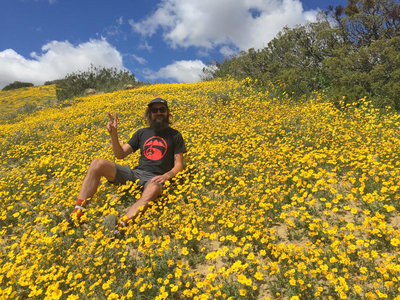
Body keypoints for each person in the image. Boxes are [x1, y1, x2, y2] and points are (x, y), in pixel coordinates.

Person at [66, 97, 186, 234]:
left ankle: (121, 226)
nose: (158, 113)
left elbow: (178, 165)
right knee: (97, 163)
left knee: (153, 188)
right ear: (150, 113)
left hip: (155, 178)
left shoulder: (175, 135)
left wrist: (166, 175)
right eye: (154, 110)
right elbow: (120, 154)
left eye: (162, 109)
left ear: (167, 112)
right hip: (136, 174)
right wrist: (114, 135)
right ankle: (77, 214)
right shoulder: (141, 133)